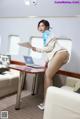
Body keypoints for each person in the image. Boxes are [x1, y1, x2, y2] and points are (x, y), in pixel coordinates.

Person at [19, 19, 71, 110]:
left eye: (42, 25)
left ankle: (47, 103)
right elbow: (50, 50)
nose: (40, 27)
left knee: (47, 75)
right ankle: (49, 101)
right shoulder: (46, 35)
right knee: (48, 75)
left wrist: (35, 48)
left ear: (46, 26)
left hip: (61, 53)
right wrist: (47, 61)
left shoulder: (47, 33)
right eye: (39, 26)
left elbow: (49, 48)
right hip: (61, 54)